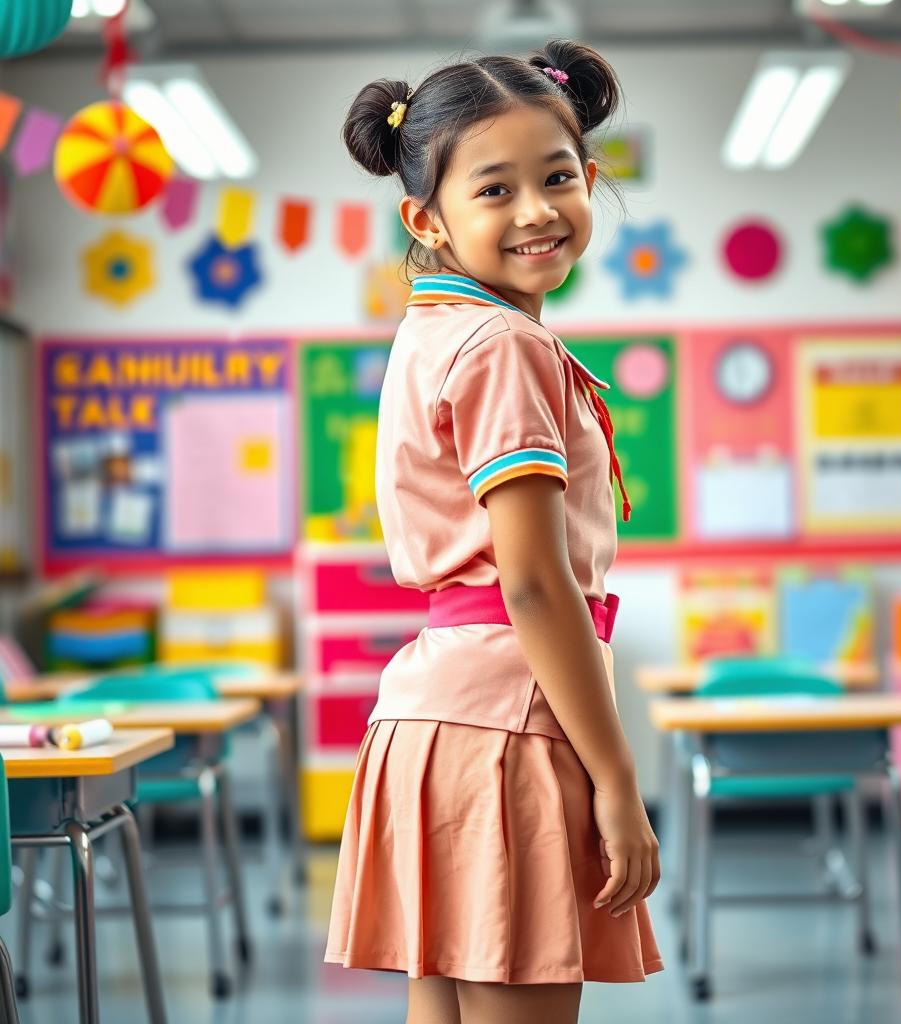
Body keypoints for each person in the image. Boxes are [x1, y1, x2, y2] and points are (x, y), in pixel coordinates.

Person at [325, 38, 663, 1024]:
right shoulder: (502, 345)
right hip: (509, 718)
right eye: (493, 189)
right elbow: (535, 584)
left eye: (557, 176)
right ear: (425, 218)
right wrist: (618, 780)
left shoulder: (433, 329)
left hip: (437, 714)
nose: (534, 210)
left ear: (591, 178)